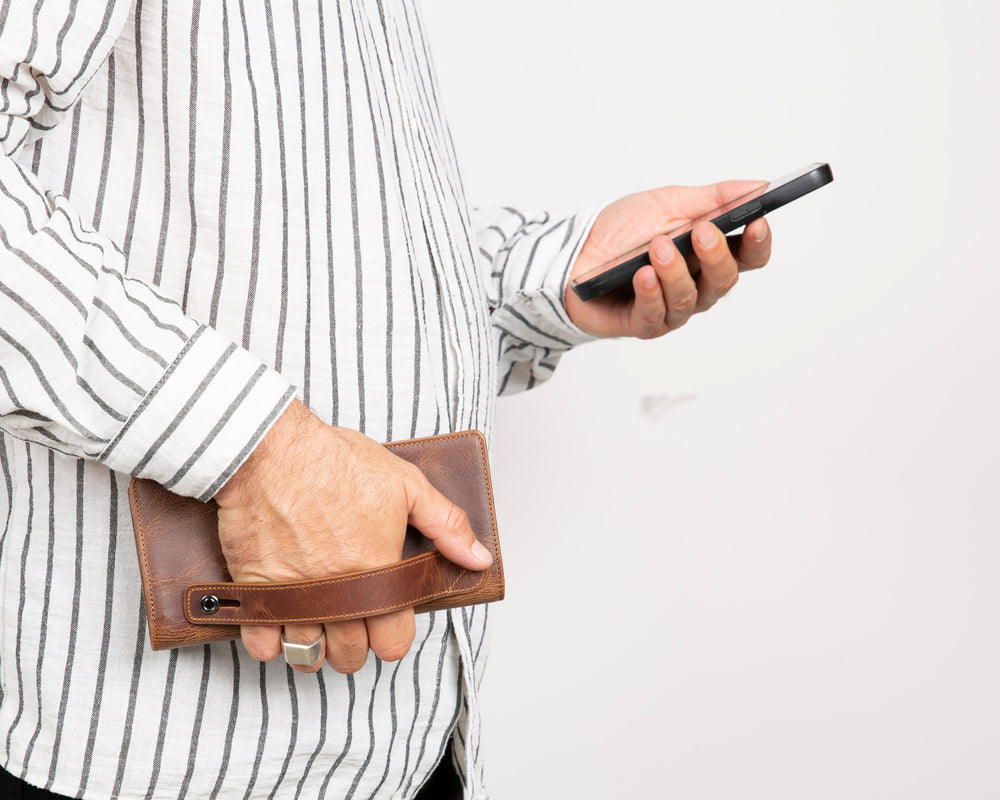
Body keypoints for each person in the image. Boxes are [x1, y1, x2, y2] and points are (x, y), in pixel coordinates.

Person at [0, 1, 772, 798]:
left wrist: (552, 278)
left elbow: (314, 259)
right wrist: (262, 454)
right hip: (167, 753)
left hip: (406, 739)